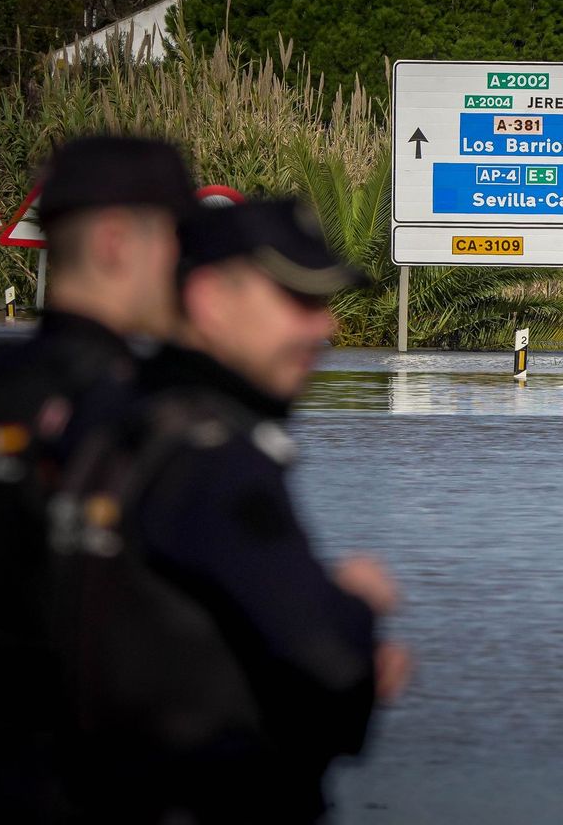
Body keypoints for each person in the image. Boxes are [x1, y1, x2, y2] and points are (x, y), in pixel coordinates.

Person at [47, 196, 409, 823]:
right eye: (298, 302)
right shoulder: (217, 461)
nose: (323, 329)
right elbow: (328, 668)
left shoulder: (106, 420)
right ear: (211, 301)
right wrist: (354, 607)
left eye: (324, 305)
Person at [0, 135, 197, 823]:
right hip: (116, 785)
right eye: (177, 237)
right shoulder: (122, 406)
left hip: (12, 777)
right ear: (115, 243)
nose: (184, 262)